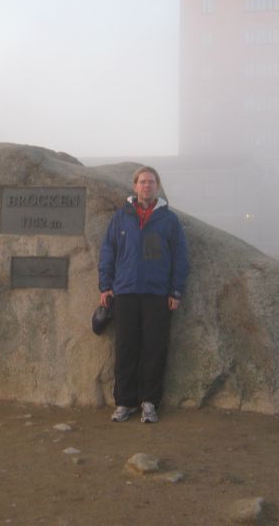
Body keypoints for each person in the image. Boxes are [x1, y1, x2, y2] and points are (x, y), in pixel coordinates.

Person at [98, 166, 189, 423]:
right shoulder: (120, 218)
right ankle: (125, 402)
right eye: (142, 182)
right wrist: (105, 286)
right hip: (125, 292)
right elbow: (108, 252)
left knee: (154, 348)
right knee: (125, 347)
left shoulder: (168, 220)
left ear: (157, 187)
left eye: (151, 182)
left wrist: (176, 290)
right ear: (135, 186)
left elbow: (180, 258)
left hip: (157, 294)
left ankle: (149, 402)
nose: (146, 186)